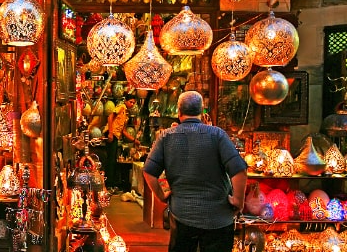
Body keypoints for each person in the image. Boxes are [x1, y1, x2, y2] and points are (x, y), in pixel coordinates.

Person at [142, 91, 247, 252]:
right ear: (202, 110)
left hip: (182, 216)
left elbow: (149, 172)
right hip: (218, 218)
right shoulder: (217, 135)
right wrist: (238, 200)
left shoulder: (166, 137)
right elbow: (238, 170)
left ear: (178, 111)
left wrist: (162, 196)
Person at [105, 93, 139, 189]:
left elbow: (124, 131)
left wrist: (134, 140)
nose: (132, 104)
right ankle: (109, 184)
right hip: (111, 134)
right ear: (126, 101)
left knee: (113, 160)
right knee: (111, 160)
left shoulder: (126, 115)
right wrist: (110, 133)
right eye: (130, 102)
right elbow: (110, 117)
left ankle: (112, 183)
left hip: (116, 136)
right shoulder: (121, 107)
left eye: (133, 103)